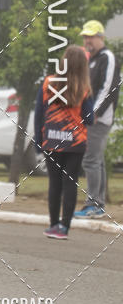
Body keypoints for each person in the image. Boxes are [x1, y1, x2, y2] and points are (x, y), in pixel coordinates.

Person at [34, 45, 94, 239]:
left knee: (54, 184)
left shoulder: (49, 83)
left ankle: (53, 225)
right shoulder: (84, 88)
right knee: (70, 183)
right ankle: (64, 228)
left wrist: (38, 140)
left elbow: (39, 114)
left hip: (51, 140)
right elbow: (90, 118)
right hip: (75, 143)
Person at [74, 20, 120, 219]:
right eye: (85, 36)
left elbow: (108, 89)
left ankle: (93, 204)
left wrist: (93, 114)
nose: (87, 40)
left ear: (101, 37)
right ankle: (97, 205)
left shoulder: (107, 58)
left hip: (99, 119)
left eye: (91, 36)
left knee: (90, 160)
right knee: (97, 160)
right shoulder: (91, 59)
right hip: (91, 116)